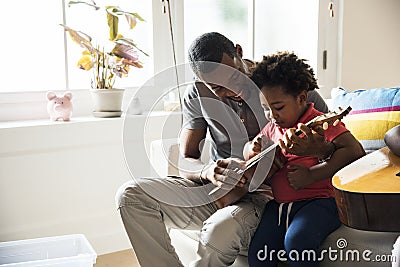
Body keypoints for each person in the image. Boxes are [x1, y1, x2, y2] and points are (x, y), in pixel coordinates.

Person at [116, 32, 333, 267]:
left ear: (238, 53)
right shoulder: (198, 93)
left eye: (234, 78)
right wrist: (209, 172)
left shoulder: (285, 85)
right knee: (131, 196)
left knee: (218, 233)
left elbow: (338, 144)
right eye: (217, 88)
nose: (230, 91)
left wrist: (316, 150)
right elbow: (186, 156)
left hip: (264, 198)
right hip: (215, 192)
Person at [246, 51, 366, 266]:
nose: (272, 115)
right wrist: (251, 148)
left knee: (298, 241)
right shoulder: (273, 126)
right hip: (281, 205)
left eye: (278, 107)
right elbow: (251, 151)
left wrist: (313, 174)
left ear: (301, 98)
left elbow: (354, 151)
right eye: (266, 108)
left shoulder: (321, 123)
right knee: (259, 253)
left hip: (320, 202)